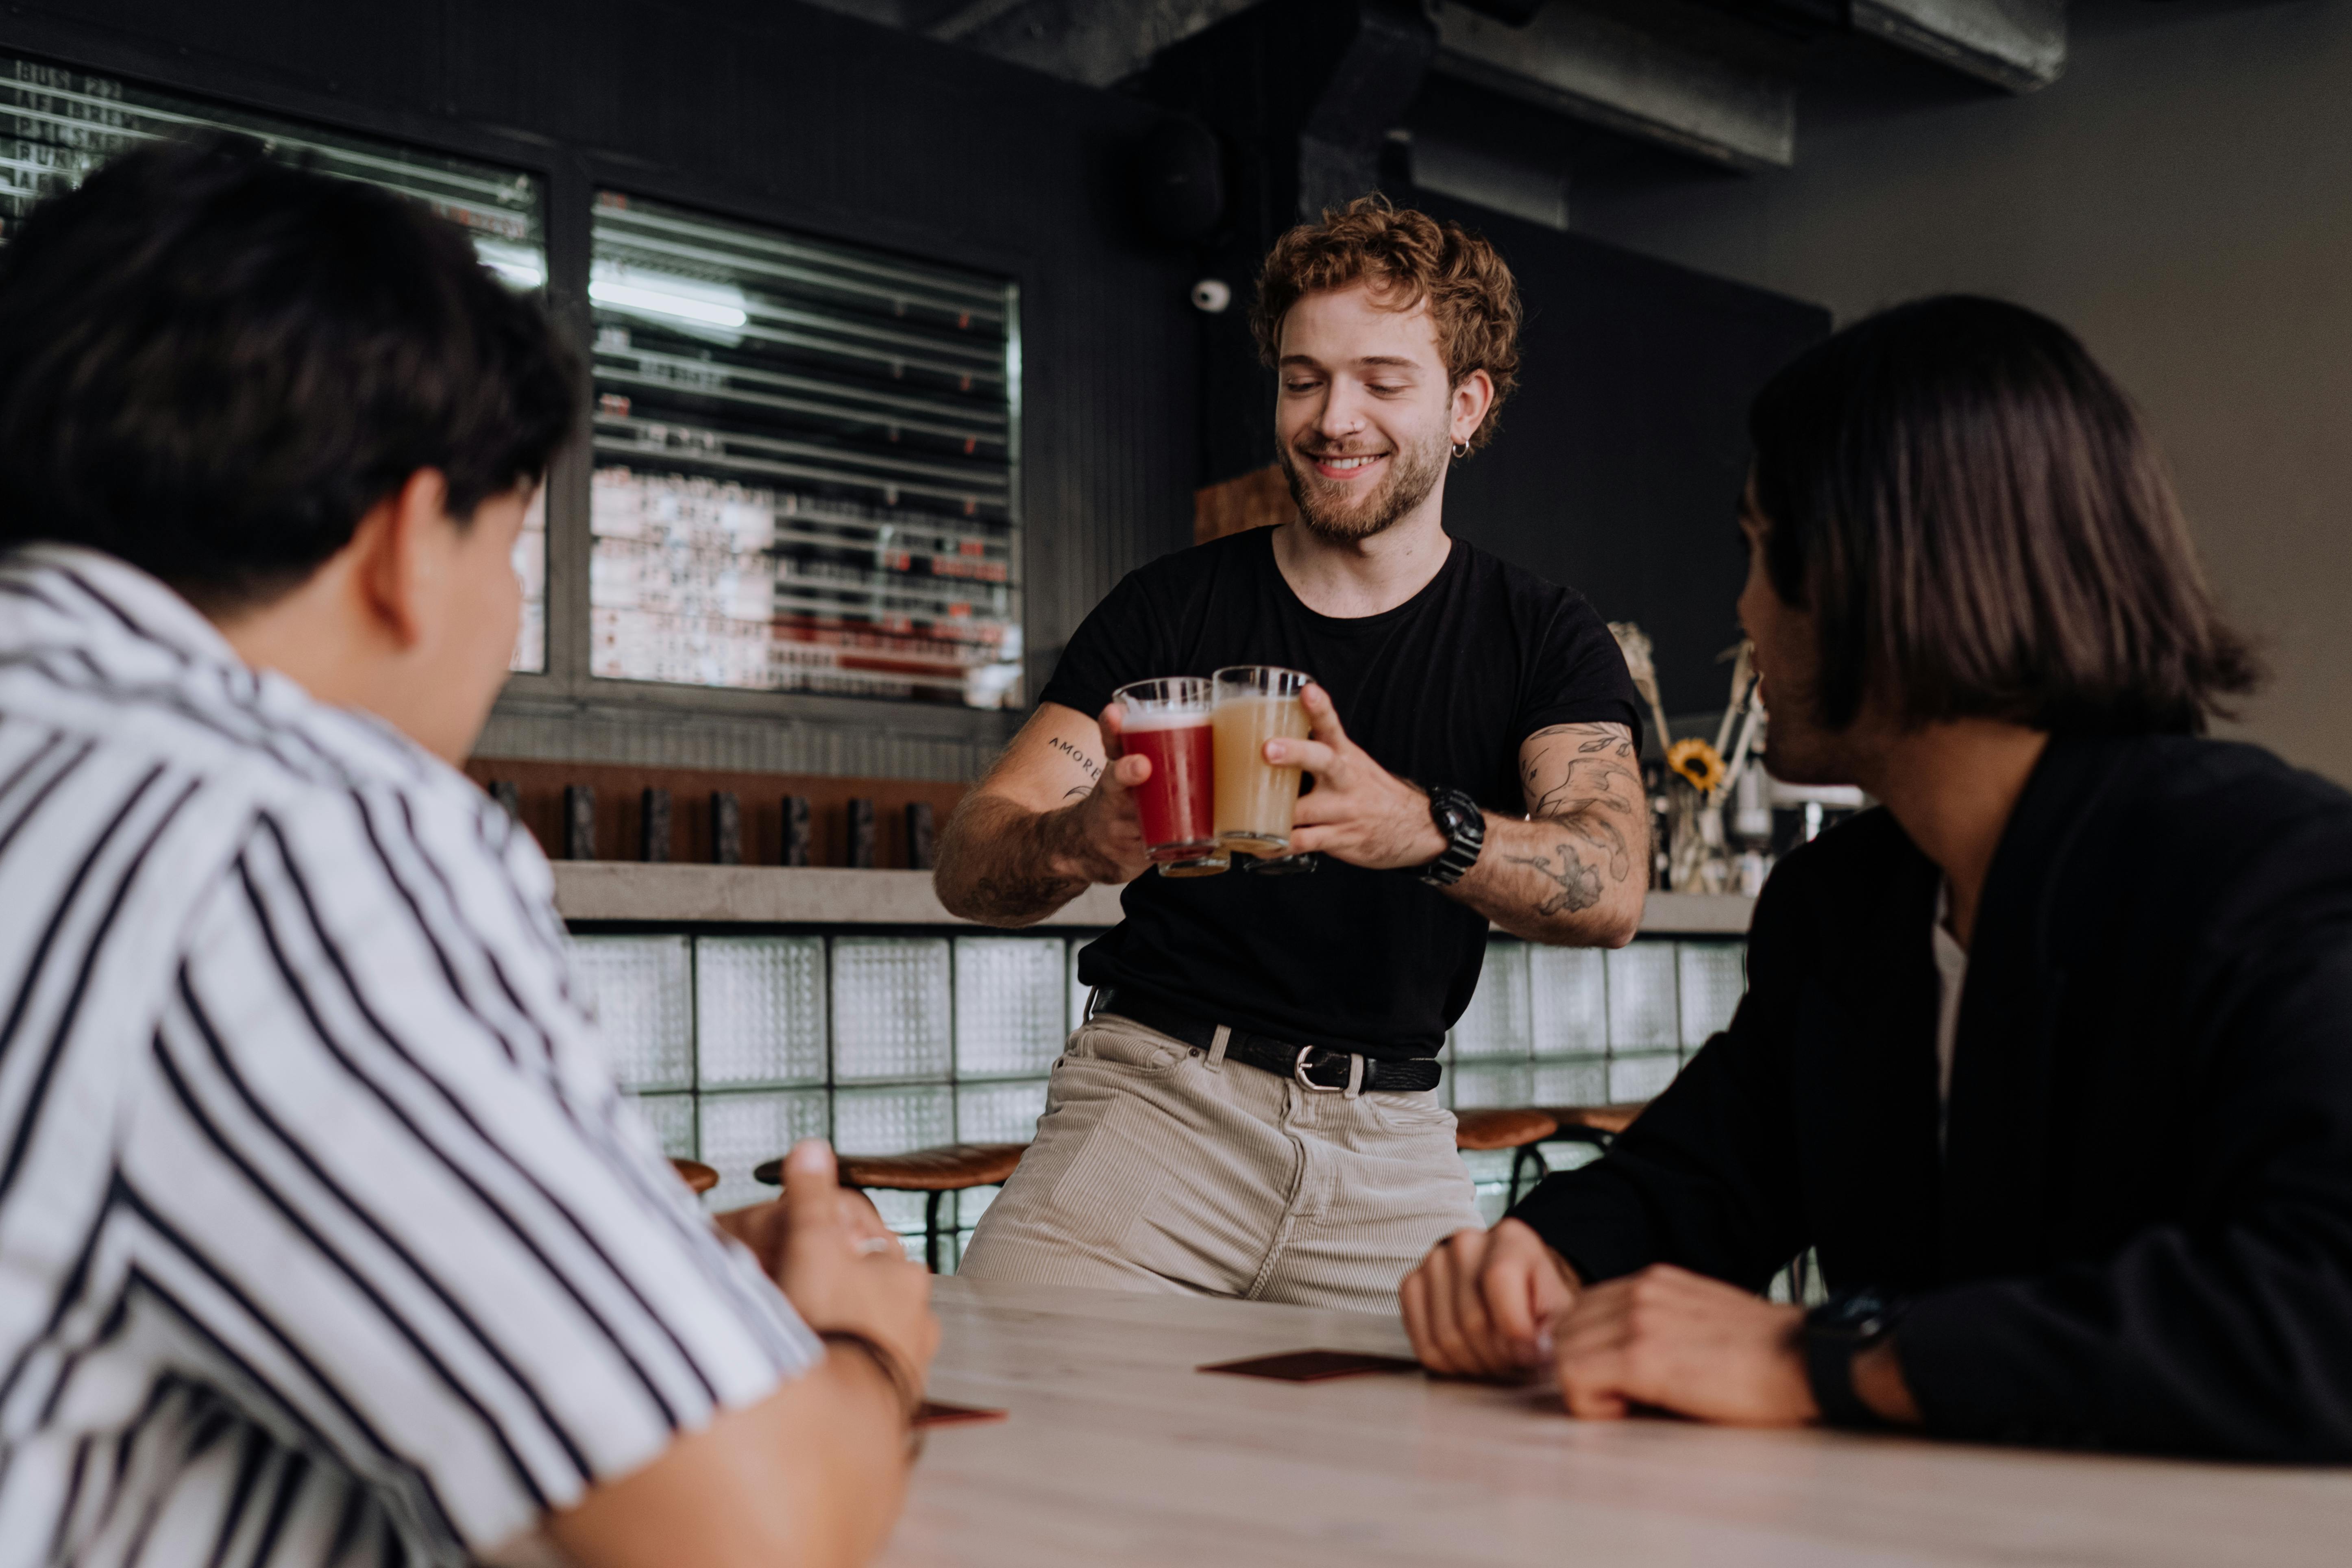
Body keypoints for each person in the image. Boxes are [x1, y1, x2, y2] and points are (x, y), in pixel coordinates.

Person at [0, 136, 934, 1568]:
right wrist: (852, 1348)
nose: (505, 616)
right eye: (511, 553)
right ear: (402, 538)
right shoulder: (281, 826)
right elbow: (746, 1535)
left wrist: (643, 1297)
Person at [1399, 294, 2352, 1461]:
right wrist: (1538, 1260)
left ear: (1874, 572)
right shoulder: (1846, 907)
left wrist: (1821, 1355)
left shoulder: (2272, 874)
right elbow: (1704, 1177)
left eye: (1758, 547)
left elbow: (2321, 1310)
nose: (1745, 611)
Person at [936, 197, 1648, 1311]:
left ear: (1466, 406)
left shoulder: (1541, 633)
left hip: (1396, 1147)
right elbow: (971, 859)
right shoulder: (1168, 610)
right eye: (1303, 378)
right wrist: (1077, 839)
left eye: (1381, 380)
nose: (1332, 418)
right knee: (997, 1417)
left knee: (1462, 1463)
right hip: (1155, 1111)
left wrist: (1419, 829)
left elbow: (1610, 884)